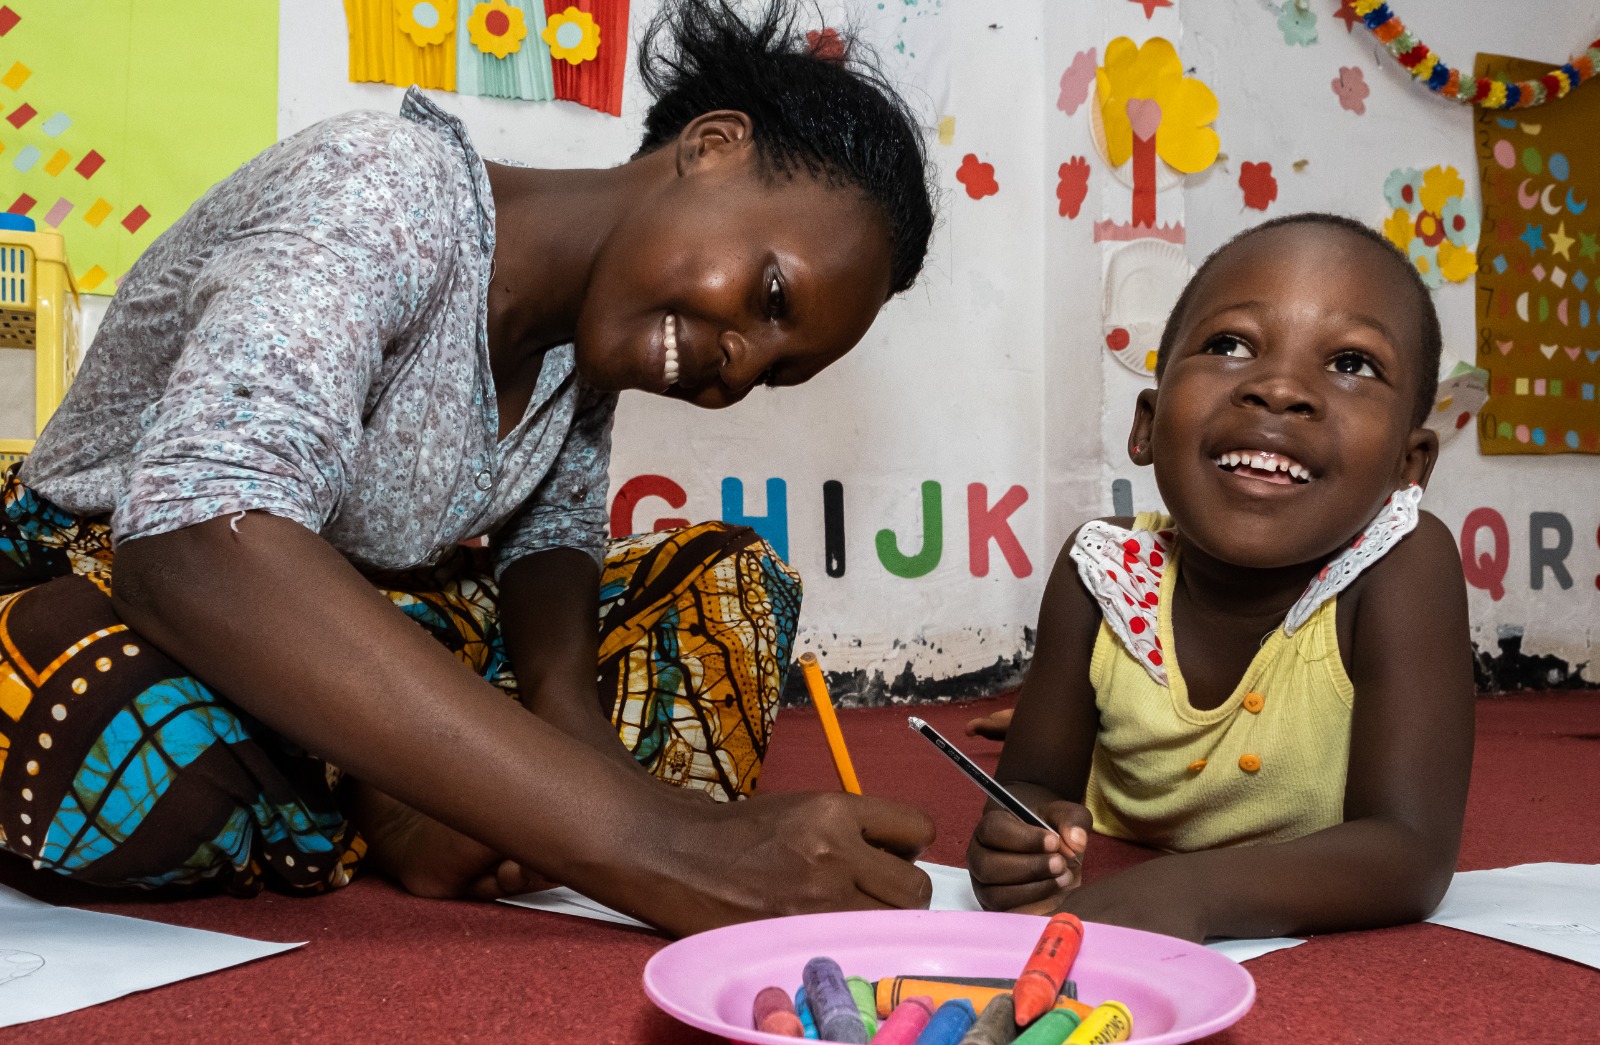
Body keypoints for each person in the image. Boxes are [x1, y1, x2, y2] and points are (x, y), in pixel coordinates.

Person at [0, 0, 939, 935]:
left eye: (776, 374)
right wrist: (661, 844)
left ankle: (425, 786)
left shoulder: (597, 339)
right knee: (101, 717)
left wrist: (584, 746)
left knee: (726, 589)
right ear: (715, 144)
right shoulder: (380, 187)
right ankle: (395, 782)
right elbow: (195, 538)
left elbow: (554, 542)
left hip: (372, 611)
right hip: (136, 571)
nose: (738, 367)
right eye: (770, 295)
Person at [966, 213, 1475, 942]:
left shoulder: (1403, 564)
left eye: (1352, 363)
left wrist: (1191, 893)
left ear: (1408, 466)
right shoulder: (1102, 569)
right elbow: (1030, 790)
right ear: (1146, 423)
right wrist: (1016, 839)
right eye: (1229, 345)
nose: (1279, 389)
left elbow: (1410, 853)